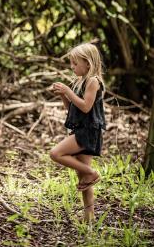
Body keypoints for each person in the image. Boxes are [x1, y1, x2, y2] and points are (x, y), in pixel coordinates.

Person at [49, 42, 106, 222]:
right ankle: (89, 216)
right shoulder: (79, 81)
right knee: (83, 177)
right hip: (80, 129)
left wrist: (67, 90)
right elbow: (73, 108)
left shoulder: (93, 81)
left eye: (75, 63)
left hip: (88, 132)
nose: (72, 67)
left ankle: (93, 172)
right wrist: (64, 95)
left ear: (87, 63)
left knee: (55, 153)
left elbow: (86, 107)